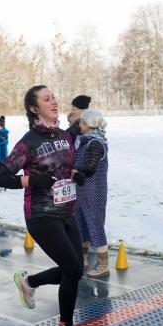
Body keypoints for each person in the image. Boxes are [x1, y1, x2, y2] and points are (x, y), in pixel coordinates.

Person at [0, 85, 90, 326]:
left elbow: (64, 167)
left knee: (75, 271)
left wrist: (77, 173)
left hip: (66, 211)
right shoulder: (29, 142)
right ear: (34, 108)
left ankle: (29, 282)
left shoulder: (63, 135)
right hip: (41, 215)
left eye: (54, 97)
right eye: (47, 99)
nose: (54, 101)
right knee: (72, 268)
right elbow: (1, 177)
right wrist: (31, 180)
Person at [74, 109, 110, 278]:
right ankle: (83, 259)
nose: (80, 125)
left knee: (95, 226)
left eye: (82, 122)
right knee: (81, 223)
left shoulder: (95, 143)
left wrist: (76, 172)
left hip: (94, 190)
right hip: (82, 190)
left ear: (89, 124)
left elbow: (90, 167)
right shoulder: (84, 141)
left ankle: (103, 265)